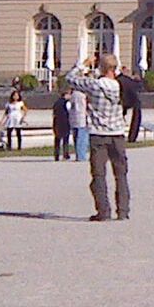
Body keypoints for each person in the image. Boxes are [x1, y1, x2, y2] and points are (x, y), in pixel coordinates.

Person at [65, 54, 130, 222]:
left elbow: (70, 79)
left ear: (101, 67)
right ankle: (123, 211)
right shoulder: (120, 85)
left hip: (99, 134)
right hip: (117, 133)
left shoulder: (94, 85)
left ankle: (104, 211)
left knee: (99, 175)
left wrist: (83, 65)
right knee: (121, 175)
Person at [119, 70, 145, 143]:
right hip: (131, 100)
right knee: (136, 116)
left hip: (121, 101)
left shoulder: (118, 80)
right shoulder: (130, 82)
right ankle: (132, 137)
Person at [68, 85, 90, 162]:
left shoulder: (73, 95)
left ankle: (78, 155)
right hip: (82, 118)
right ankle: (81, 156)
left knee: (76, 138)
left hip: (74, 118)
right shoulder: (82, 95)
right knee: (82, 138)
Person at [51, 89, 72, 162]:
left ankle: (56, 155)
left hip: (57, 121)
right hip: (65, 121)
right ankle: (65, 154)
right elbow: (69, 111)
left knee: (57, 139)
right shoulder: (67, 103)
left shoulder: (56, 102)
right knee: (65, 139)